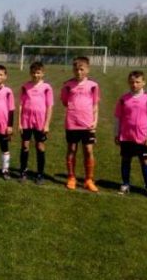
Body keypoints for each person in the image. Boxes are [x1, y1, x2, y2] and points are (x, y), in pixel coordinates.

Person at [114, 70, 147, 199]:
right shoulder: (123, 99)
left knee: (145, 161)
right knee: (125, 160)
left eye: (137, 82)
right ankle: (125, 184)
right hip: (126, 136)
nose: (134, 84)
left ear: (144, 82)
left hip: (143, 137)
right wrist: (116, 134)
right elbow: (118, 118)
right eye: (132, 82)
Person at [61, 56, 101, 192]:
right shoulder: (67, 85)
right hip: (72, 123)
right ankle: (71, 177)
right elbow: (65, 102)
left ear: (87, 70)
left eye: (81, 69)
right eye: (76, 69)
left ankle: (89, 180)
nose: (78, 72)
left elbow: (95, 105)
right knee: (71, 149)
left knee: (88, 150)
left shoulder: (93, 85)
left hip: (87, 123)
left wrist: (95, 120)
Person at [18, 61, 54, 185]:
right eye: (33, 72)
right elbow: (21, 105)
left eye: (38, 73)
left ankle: (40, 174)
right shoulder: (25, 86)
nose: (35, 75)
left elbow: (49, 107)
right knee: (25, 145)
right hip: (26, 120)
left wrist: (47, 124)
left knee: (40, 146)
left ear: (43, 73)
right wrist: (19, 123)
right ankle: (23, 172)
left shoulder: (47, 88)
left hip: (40, 122)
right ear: (30, 73)